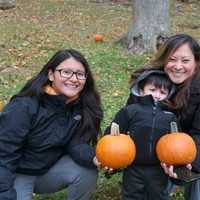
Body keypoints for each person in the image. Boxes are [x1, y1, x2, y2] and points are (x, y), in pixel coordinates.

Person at [0, 49, 103, 200]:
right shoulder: (24, 106)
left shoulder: (81, 107)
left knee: (87, 171)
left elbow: (76, 144)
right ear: (50, 75)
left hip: (48, 171)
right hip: (17, 173)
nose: (74, 79)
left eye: (80, 74)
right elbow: (4, 154)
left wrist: (94, 157)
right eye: (66, 72)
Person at [126, 34, 200, 200]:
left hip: (189, 150)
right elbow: (130, 120)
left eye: (185, 61)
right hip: (152, 152)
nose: (178, 66)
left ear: (196, 62)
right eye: (172, 59)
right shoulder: (149, 82)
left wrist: (186, 164)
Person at [104, 70, 178, 200]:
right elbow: (114, 133)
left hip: (158, 168)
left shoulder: (170, 117)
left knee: (158, 195)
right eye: (153, 90)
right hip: (133, 166)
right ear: (141, 90)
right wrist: (110, 158)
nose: (157, 95)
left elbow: (177, 141)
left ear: (168, 95)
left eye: (163, 92)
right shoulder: (130, 111)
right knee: (132, 194)